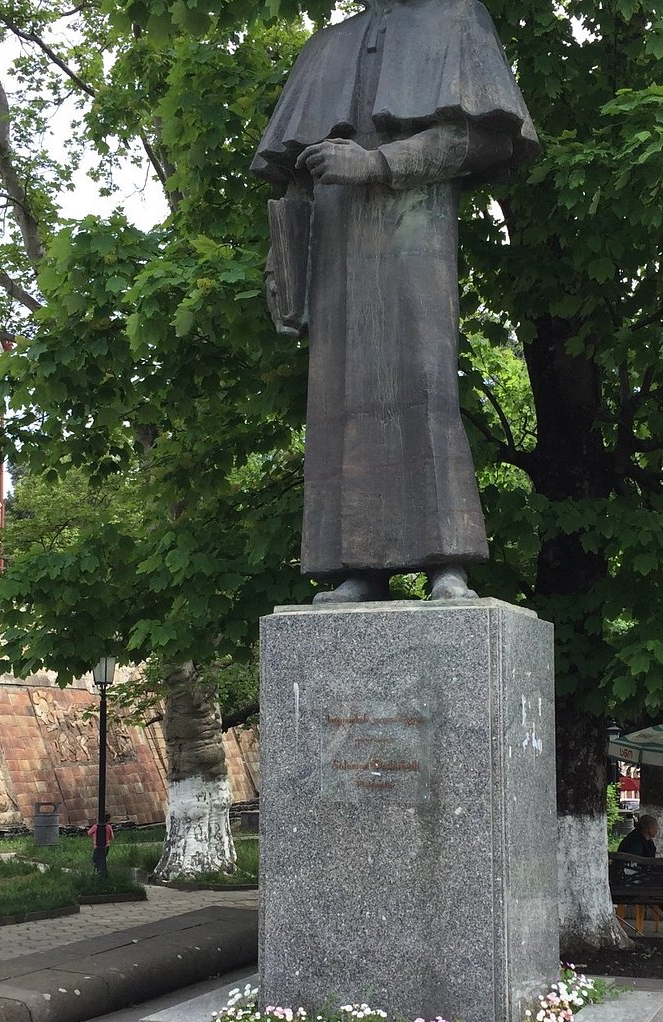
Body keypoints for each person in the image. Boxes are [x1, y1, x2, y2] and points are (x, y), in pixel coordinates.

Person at [251, 0, 539, 604]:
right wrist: (284, 263)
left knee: (421, 382)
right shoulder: (326, 46)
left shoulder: (457, 18)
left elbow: (480, 137)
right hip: (333, 241)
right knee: (344, 397)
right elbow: (294, 174)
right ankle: (358, 564)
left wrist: (379, 162)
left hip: (413, 226)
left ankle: (447, 565)